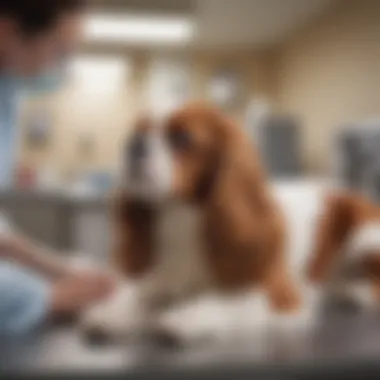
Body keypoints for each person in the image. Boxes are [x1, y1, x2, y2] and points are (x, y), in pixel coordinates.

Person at [0, 0, 115, 335]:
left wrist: (56, 267)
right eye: (58, 51)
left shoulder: (7, 92)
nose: (62, 68)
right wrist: (46, 298)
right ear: (5, 33)